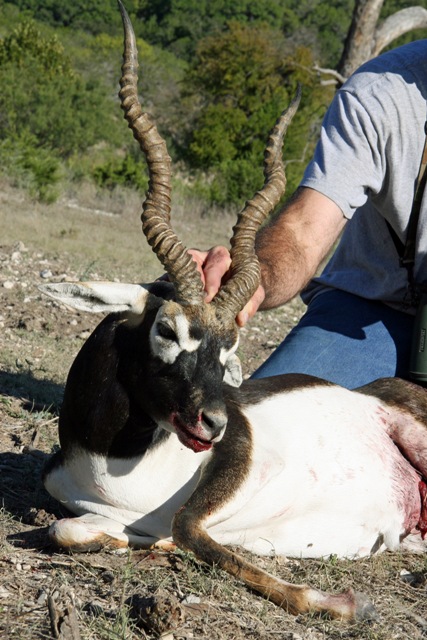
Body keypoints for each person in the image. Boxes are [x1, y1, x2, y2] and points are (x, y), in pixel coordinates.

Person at [189, 38, 427, 389]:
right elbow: (303, 233)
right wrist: (254, 277)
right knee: (258, 427)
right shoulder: (380, 94)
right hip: (377, 304)